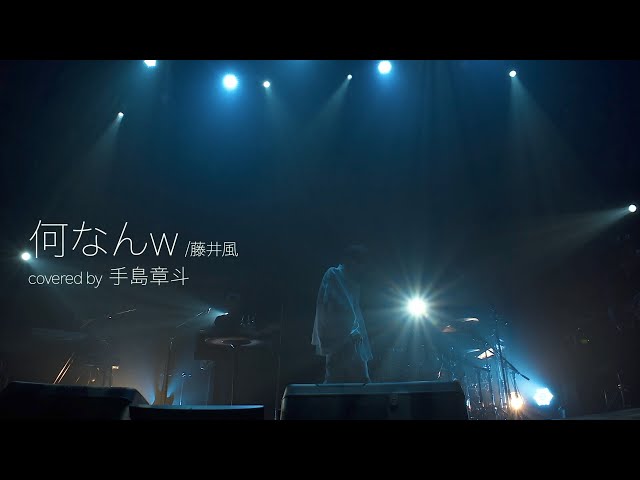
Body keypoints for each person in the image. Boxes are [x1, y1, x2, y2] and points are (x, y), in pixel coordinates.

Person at [311, 244, 372, 383]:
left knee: (360, 377)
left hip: (352, 338)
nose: (362, 269)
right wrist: (350, 332)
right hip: (338, 337)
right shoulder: (333, 274)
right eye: (360, 264)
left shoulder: (353, 282)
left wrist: (355, 332)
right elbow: (335, 306)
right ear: (350, 261)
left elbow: (353, 310)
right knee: (336, 377)